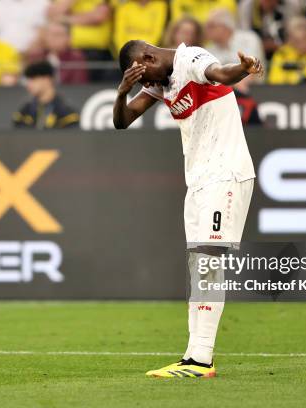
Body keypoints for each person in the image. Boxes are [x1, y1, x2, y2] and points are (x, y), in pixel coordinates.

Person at [113, 39, 262, 378]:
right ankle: (192, 356)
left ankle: (202, 359)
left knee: (209, 262)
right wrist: (123, 91)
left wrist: (243, 67)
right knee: (199, 267)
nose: (146, 85)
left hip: (225, 174)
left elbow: (220, 73)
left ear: (148, 57)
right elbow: (123, 121)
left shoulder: (191, 58)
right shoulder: (162, 82)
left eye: (143, 76)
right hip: (198, 180)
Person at [48, 0, 113, 81]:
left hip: (95, 51)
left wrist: (65, 19)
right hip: (67, 51)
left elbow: (99, 16)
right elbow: (52, 14)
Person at [13, 61, 80, 129]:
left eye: (33, 79)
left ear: (47, 80)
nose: (29, 85)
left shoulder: (67, 113)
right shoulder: (24, 113)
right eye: (28, 80)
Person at [204, 8, 265, 77]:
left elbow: (253, 69)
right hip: (227, 86)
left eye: (211, 26)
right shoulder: (208, 50)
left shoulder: (249, 39)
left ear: (224, 27)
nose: (206, 30)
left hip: (256, 87)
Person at [171, 0, 237, 24]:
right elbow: (179, 24)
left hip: (216, 48)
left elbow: (220, 28)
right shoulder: (179, 1)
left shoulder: (227, 2)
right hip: (189, 45)